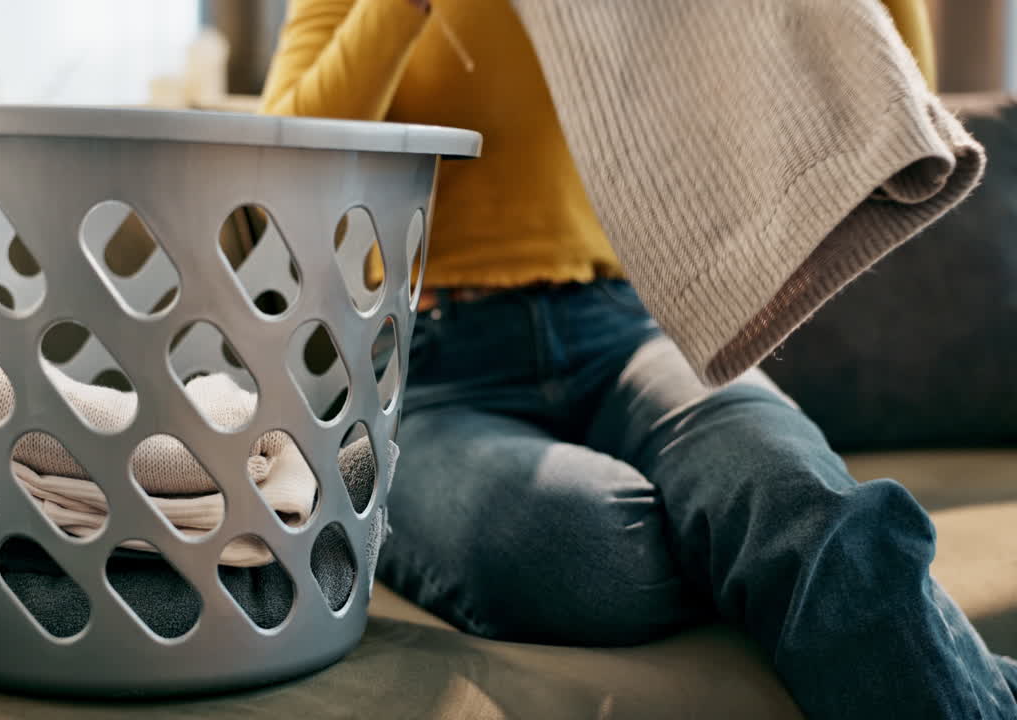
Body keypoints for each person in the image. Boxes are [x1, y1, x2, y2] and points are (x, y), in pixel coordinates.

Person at [258, 1, 1017, 717]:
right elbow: (276, 183)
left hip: (625, 329)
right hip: (429, 366)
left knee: (795, 493)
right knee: (585, 554)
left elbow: (892, 94)